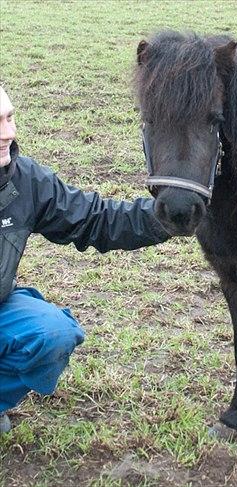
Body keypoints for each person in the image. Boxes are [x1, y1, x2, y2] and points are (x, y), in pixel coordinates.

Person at [0, 86, 170, 433]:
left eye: (9, 117)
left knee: (53, 334)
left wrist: (165, 216)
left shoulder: (24, 181)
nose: (9, 134)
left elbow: (94, 218)